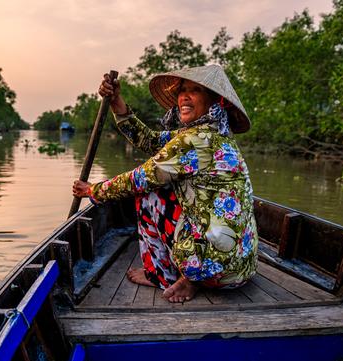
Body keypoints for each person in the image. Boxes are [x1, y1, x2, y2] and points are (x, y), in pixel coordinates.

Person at [72, 64, 258, 303]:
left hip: (216, 272)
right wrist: (118, 103)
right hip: (240, 269)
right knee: (164, 187)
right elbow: (150, 141)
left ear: (215, 103)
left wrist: (93, 190)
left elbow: (138, 179)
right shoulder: (213, 135)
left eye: (196, 90)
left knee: (149, 193)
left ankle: (162, 274)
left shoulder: (195, 140)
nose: (184, 96)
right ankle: (190, 272)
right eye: (182, 90)